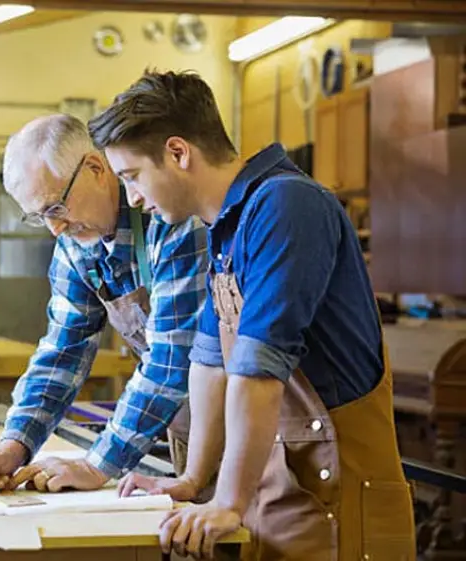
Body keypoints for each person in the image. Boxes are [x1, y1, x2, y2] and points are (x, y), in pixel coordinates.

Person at [88, 70, 416, 560]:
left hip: (341, 497)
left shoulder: (286, 205)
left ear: (179, 153)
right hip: (285, 491)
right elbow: (210, 364)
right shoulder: (226, 227)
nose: (133, 199)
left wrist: (227, 500)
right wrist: (195, 480)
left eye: (133, 177)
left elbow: (257, 368)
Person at [0, 113, 208, 495]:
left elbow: (171, 359)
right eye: (39, 217)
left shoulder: (170, 219)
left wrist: (96, 465)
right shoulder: (76, 246)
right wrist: (15, 446)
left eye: (56, 207)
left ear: (95, 168)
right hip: (186, 429)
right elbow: (63, 351)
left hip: (253, 426)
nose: (55, 228)